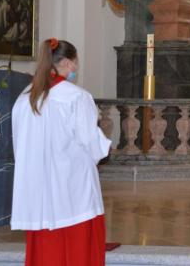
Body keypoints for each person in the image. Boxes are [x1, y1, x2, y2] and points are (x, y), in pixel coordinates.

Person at [11, 38, 112, 266]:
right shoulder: (76, 97)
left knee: (46, 253)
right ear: (66, 62)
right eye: (75, 62)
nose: (76, 68)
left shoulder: (25, 98)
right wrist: (103, 143)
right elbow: (92, 145)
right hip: (73, 191)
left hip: (38, 192)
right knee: (77, 252)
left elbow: (19, 146)